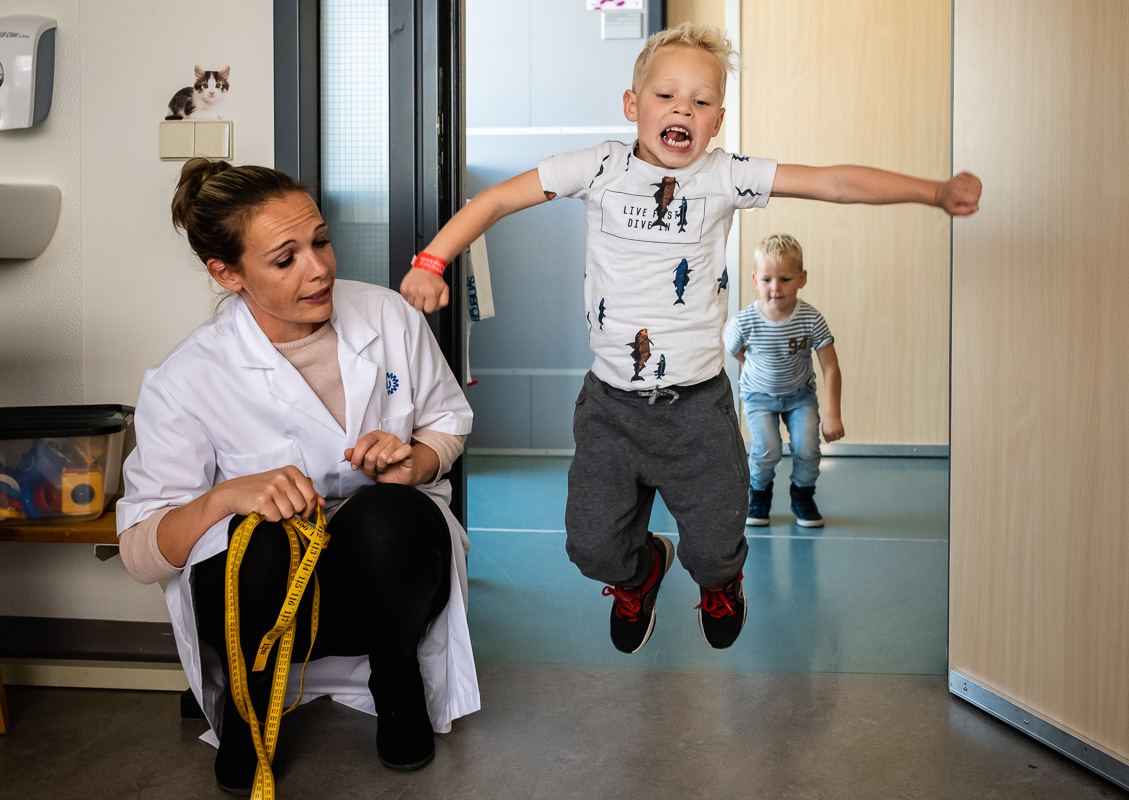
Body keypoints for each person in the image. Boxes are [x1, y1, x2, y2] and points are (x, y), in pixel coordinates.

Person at [399, 23, 981, 655]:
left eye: (701, 102)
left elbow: (831, 182)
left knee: (714, 547)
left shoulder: (725, 177)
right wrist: (432, 261)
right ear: (632, 106)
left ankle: (719, 581)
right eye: (666, 96)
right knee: (590, 546)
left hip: (696, 409)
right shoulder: (597, 166)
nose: (683, 109)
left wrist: (933, 193)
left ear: (717, 122)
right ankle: (644, 570)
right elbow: (495, 202)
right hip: (611, 407)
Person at [116, 158, 478, 795]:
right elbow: (143, 555)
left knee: (395, 513)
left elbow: (449, 419)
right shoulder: (186, 378)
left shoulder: (389, 316)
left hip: (381, 580)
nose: (319, 269)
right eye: (285, 260)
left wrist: (414, 461)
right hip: (265, 600)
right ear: (226, 274)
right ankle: (247, 714)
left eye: (321, 241)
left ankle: (397, 683)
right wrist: (228, 495)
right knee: (253, 532)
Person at [725, 233, 842, 528]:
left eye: (785, 279)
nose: (775, 288)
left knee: (807, 448)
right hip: (758, 396)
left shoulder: (811, 319)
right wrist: (753, 366)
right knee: (767, 449)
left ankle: (802, 495)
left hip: (800, 396)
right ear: (755, 280)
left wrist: (832, 415)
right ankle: (758, 495)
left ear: (802, 278)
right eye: (767, 280)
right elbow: (734, 350)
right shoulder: (744, 321)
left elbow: (830, 367)